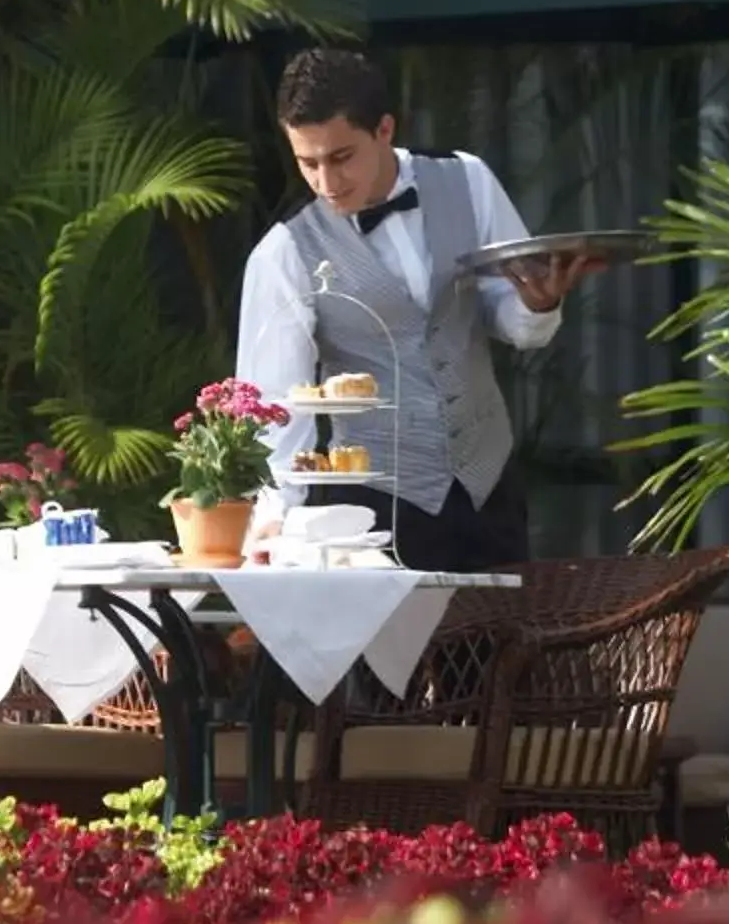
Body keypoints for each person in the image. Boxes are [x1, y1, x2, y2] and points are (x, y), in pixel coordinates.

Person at [235, 48, 593, 571]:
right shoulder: (284, 253)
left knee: (507, 652)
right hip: (370, 513)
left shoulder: (467, 181)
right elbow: (276, 407)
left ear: (384, 129)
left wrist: (538, 302)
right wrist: (273, 519)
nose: (327, 183)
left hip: (488, 490)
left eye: (340, 157)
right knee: (401, 656)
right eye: (307, 163)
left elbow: (515, 320)